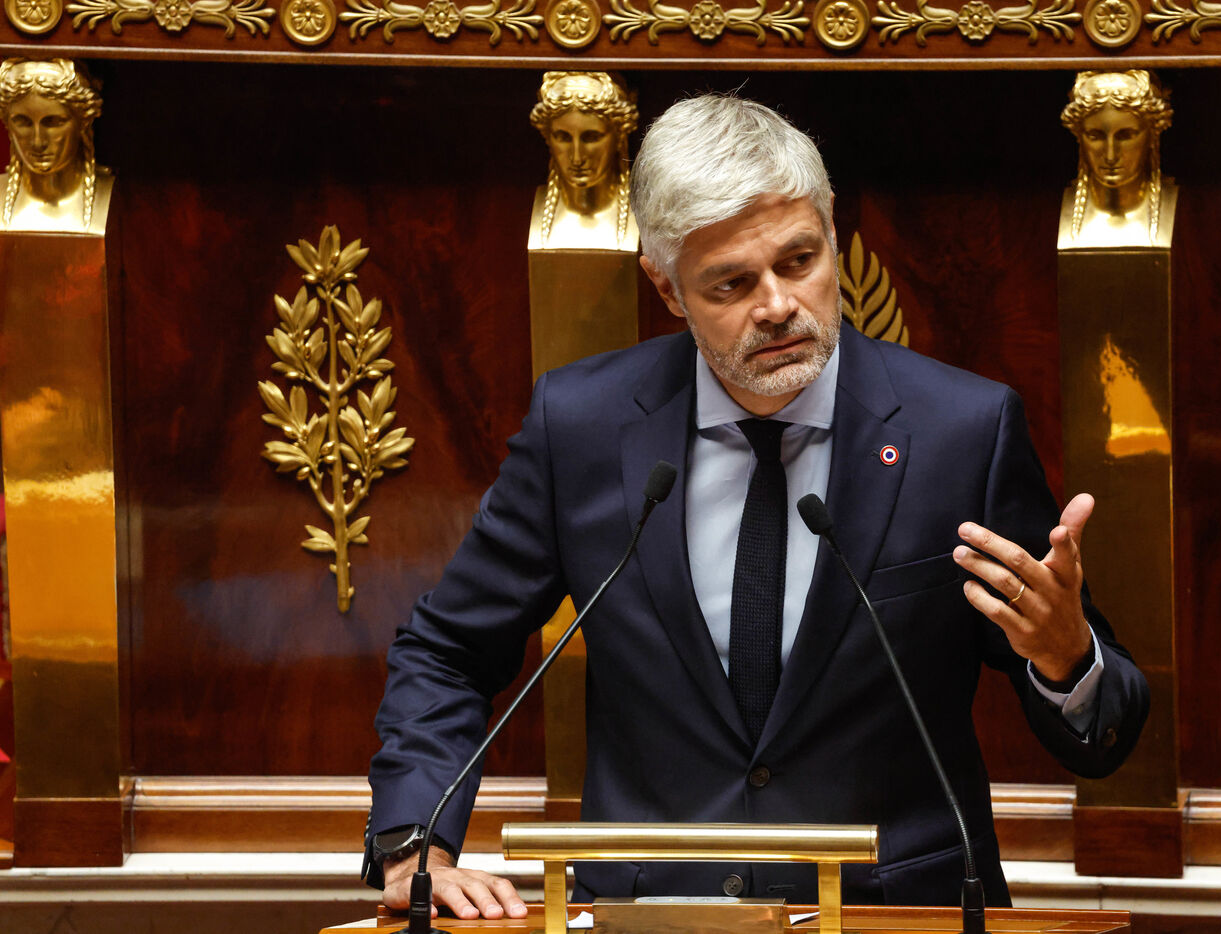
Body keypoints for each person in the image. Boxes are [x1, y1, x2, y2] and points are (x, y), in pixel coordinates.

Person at [365, 93, 1149, 922]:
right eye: (732, 283)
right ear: (667, 288)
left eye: (799, 260)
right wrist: (416, 845)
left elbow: (1106, 736)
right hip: (650, 913)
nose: (777, 305)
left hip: (894, 909)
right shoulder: (583, 429)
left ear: (833, 236)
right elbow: (448, 649)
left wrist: (1065, 659)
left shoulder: (963, 432)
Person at [1059, 70, 1174, 247]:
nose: (1111, 155)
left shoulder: (1188, 210)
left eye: (1126, 136)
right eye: (1095, 136)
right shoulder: (1046, 212)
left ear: (1152, 134)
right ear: (1079, 135)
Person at [527, 71, 638, 251]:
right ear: (548, 137)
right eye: (563, 137)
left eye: (592, 137)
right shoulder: (539, 211)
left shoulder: (638, 212)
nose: (577, 158)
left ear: (620, 136)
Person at [0, 57, 106, 232]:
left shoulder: (117, 199)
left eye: (53, 122)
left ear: (83, 122)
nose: (38, 141)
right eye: (23, 122)